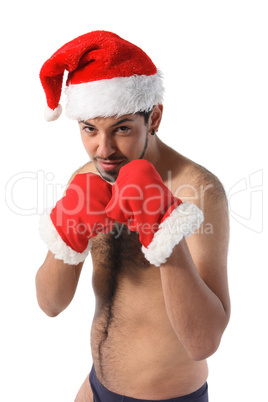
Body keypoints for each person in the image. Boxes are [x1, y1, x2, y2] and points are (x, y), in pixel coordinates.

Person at [36, 30, 230, 402]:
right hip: (96, 387)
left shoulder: (198, 190)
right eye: (89, 129)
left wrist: (164, 228)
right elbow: (50, 304)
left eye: (122, 128)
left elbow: (203, 342)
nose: (103, 149)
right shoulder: (86, 178)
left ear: (153, 117)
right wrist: (66, 233)